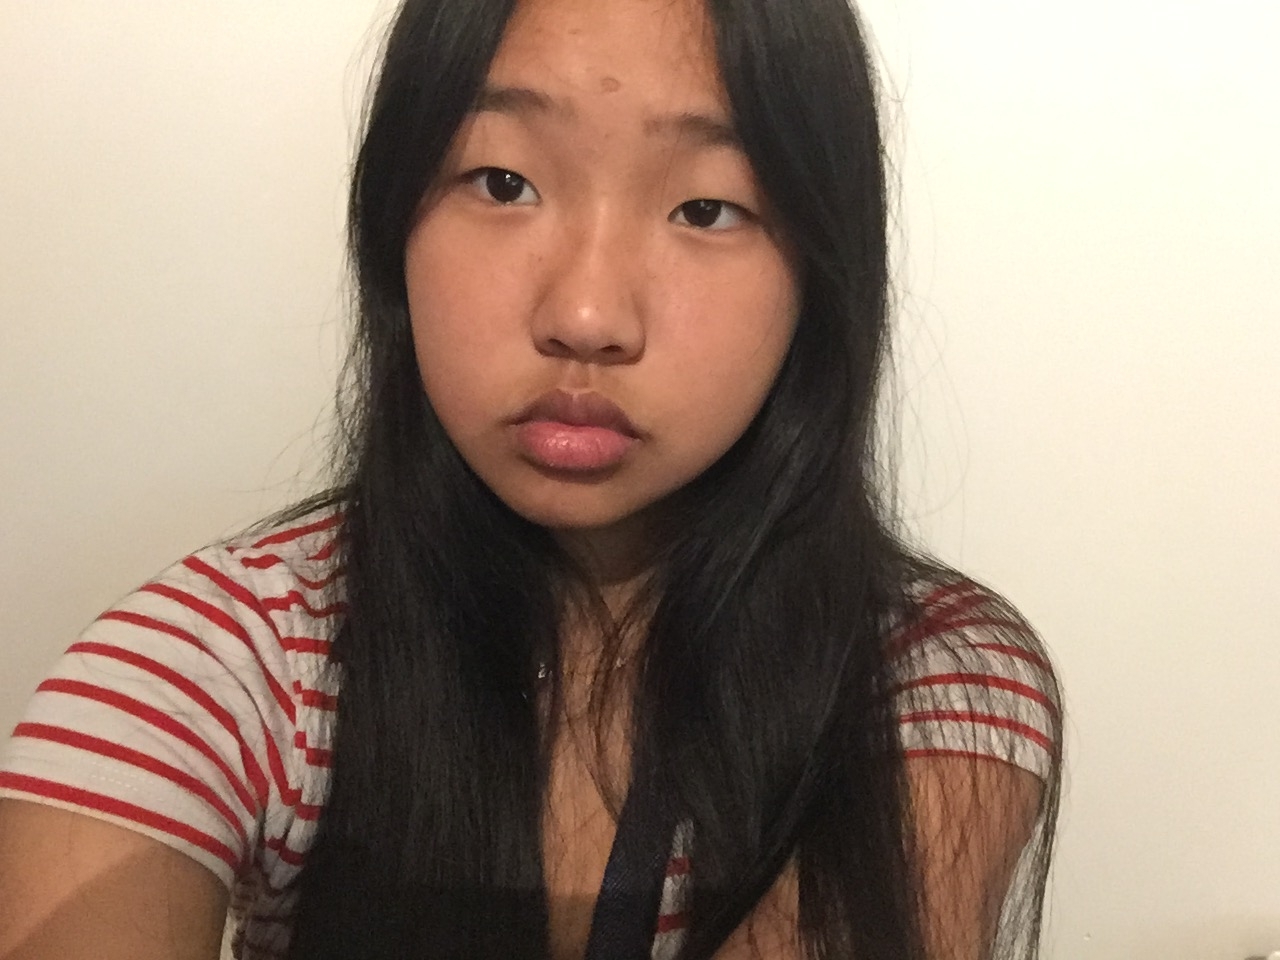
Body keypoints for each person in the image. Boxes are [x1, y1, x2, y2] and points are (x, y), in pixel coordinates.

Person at [0, 0, 1061, 957]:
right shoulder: (215, 670)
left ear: (822, 277)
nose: (586, 316)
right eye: (501, 182)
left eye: (707, 208)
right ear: (392, 225)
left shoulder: (927, 676)